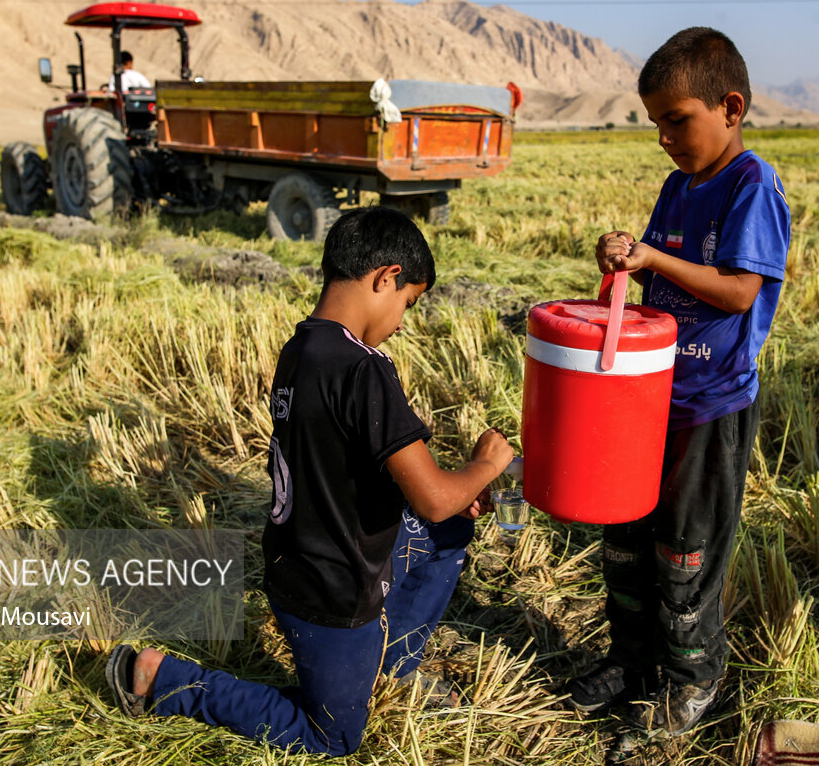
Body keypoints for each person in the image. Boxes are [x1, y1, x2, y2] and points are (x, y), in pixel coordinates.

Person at [105, 206, 514, 756]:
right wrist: (487, 465)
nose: (400, 323)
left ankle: (388, 664)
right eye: (407, 305)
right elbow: (437, 499)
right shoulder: (365, 368)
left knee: (442, 536)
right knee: (332, 736)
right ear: (386, 277)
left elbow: (344, 465)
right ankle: (163, 680)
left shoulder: (303, 349)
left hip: (295, 561)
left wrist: (453, 495)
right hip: (334, 594)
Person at [565, 27, 791, 738]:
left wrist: (654, 256)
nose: (663, 137)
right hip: (647, 401)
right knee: (625, 545)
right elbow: (653, 279)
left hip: (709, 408)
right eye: (655, 123)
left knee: (683, 558)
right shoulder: (675, 186)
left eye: (676, 119)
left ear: (730, 106)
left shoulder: (752, 185)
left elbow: (736, 290)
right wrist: (625, 256)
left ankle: (692, 682)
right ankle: (630, 663)